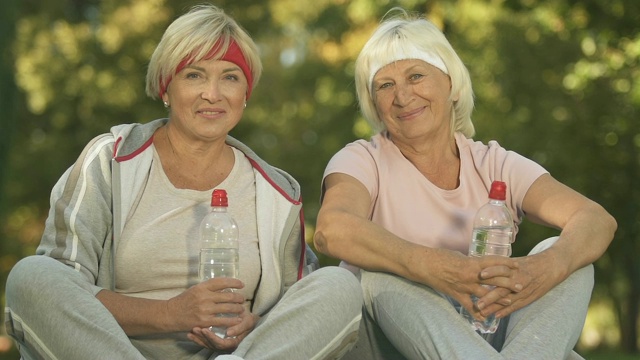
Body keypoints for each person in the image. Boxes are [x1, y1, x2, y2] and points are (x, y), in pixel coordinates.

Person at [4, 4, 363, 360]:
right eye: (194, 75)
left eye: (230, 76)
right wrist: (170, 314)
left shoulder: (277, 193)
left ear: (246, 94)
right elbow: (65, 290)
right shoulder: (109, 161)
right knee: (32, 276)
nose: (213, 93)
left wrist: (253, 325)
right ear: (166, 87)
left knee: (340, 286)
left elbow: (295, 314)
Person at [314, 7, 617, 360]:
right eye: (385, 85)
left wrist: (545, 267)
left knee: (571, 260)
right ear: (375, 104)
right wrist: (433, 266)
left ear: (452, 85)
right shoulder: (361, 159)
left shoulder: (494, 163)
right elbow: (331, 229)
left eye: (416, 76)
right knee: (379, 277)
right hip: (393, 343)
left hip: (486, 332)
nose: (402, 96)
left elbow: (596, 220)